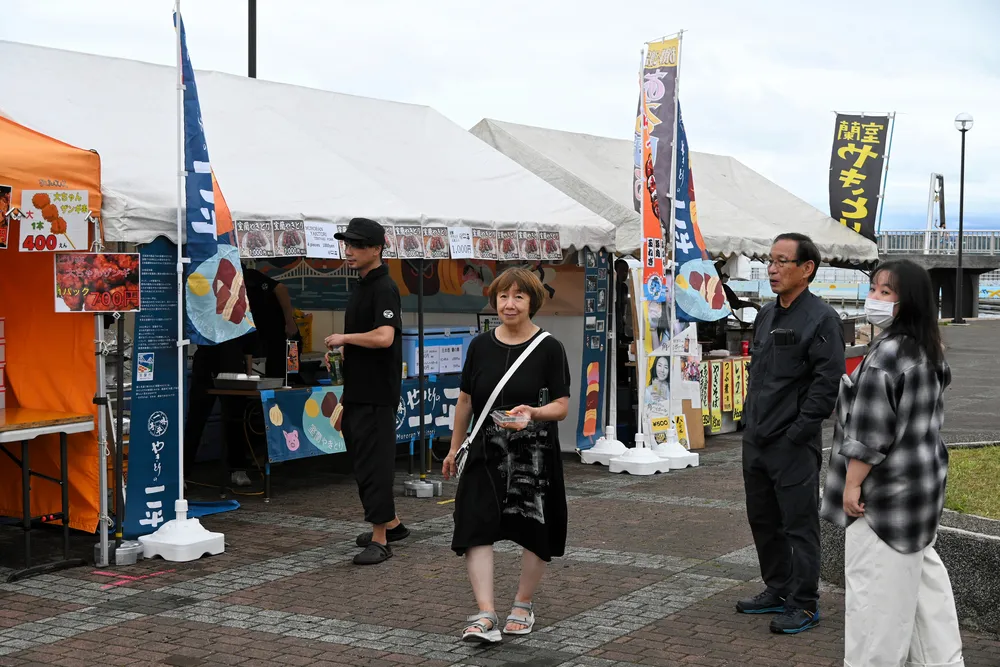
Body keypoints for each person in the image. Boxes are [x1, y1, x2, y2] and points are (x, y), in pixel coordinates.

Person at [821, 259, 964, 666]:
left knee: (875, 603)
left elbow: (869, 434)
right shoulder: (928, 349)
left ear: (909, 302)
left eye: (887, 292)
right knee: (923, 595)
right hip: (922, 490)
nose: (876, 299)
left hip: (882, 498)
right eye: (875, 289)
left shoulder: (885, 355)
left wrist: (851, 485)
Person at [442, 267, 571, 644]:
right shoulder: (480, 345)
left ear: (532, 302)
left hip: (533, 452)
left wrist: (532, 413)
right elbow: (465, 400)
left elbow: (561, 405)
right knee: (475, 523)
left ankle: (523, 603)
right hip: (486, 447)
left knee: (534, 528)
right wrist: (455, 447)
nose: (509, 304)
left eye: (518, 296)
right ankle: (485, 613)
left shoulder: (549, 347)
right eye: (502, 296)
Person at [737, 232, 845, 634]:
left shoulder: (821, 319)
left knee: (799, 525)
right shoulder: (766, 314)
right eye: (770, 260)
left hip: (793, 444)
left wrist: (799, 431)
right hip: (757, 440)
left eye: (783, 261)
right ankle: (777, 589)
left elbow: (826, 382)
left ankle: (804, 602)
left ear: (807, 269)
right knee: (762, 519)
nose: (773, 268)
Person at [324, 218, 405, 566]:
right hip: (359, 389)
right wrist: (346, 351)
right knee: (362, 460)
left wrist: (344, 339)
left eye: (357, 245)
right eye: (347, 244)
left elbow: (385, 337)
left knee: (374, 464)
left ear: (377, 248)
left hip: (376, 392)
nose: (350, 251)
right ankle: (392, 525)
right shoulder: (362, 285)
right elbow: (370, 337)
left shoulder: (384, 287)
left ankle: (380, 539)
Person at [241, 265, 300, 379]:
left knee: (287, 374)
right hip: (264, 334)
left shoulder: (250, 276)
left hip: (282, 331)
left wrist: (289, 322)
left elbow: (281, 288)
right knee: (273, 374)